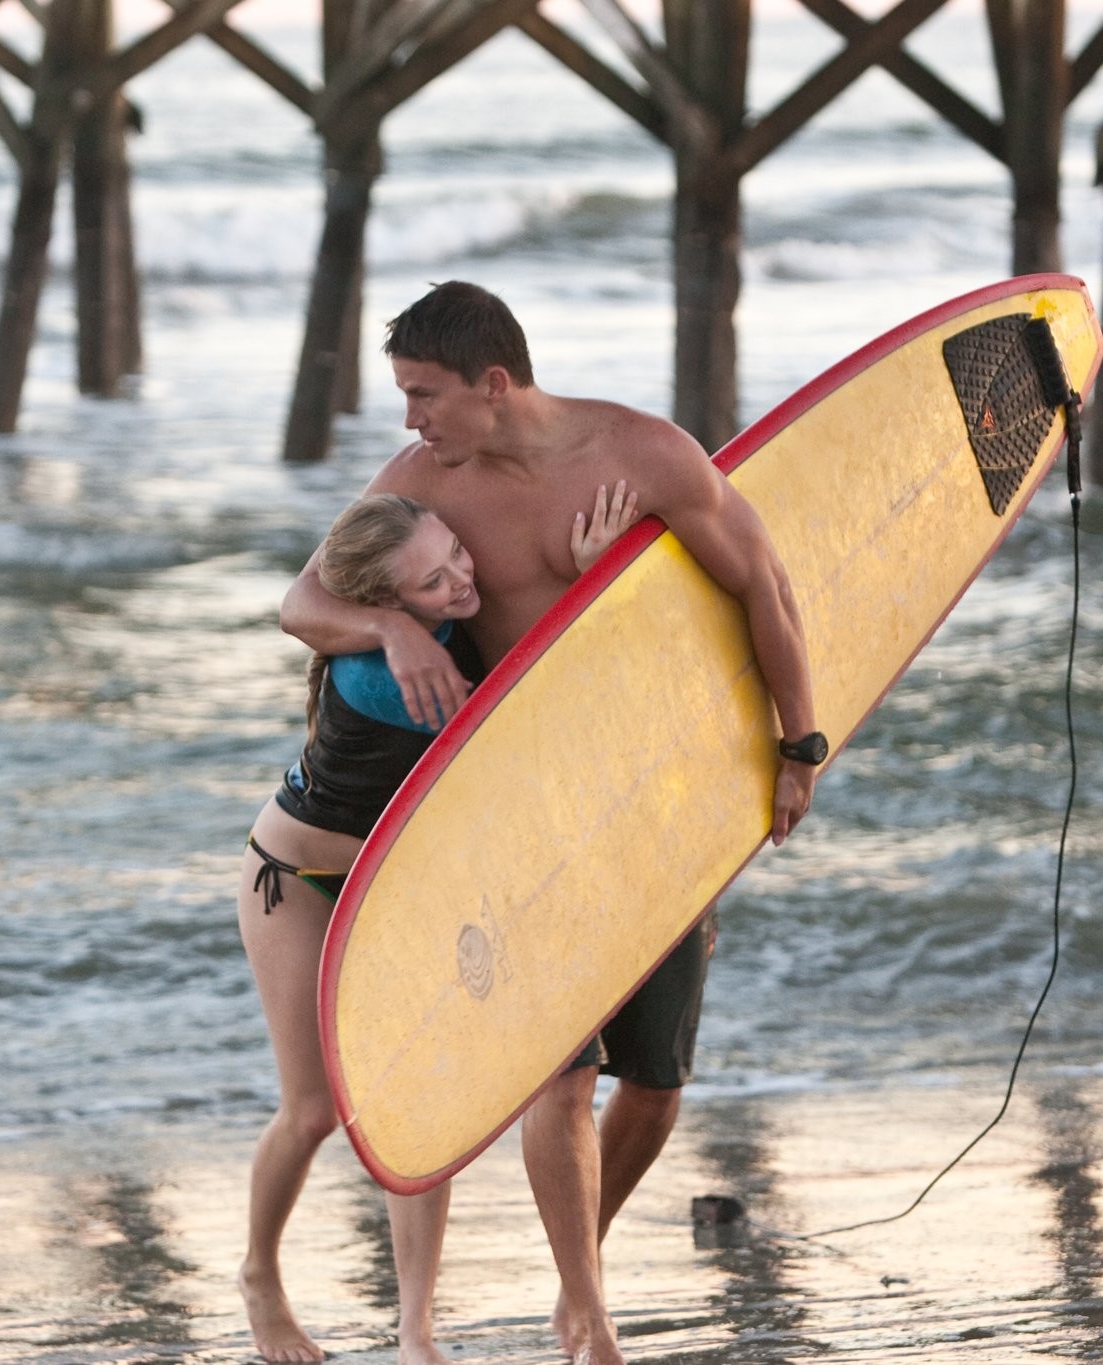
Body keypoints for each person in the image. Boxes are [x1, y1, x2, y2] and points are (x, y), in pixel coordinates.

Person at [278, 282, 825, 1365]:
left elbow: (762, 582)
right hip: (520, 808)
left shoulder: (643, 456)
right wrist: (392, 629)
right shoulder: (421, 482)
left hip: (648, 792)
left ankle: (580, 1269)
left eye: (424, 394)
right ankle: (585, 1311)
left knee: (655, 1086)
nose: (408, 419)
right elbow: (301, 603)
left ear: (493, 383)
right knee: (562, 1072)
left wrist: (796, 743)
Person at [239, 488, 641, 1365]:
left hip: (398, 890)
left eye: (456, 549)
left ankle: (414, 1333)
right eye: (432, 580)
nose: (461, 577)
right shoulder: (389, 676)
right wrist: (590, 583)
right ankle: (260, 1274)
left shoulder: (430, 627)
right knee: (312, 1112)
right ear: (384, 602)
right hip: (297, 883)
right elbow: (523, 727)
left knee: (415, 1102)